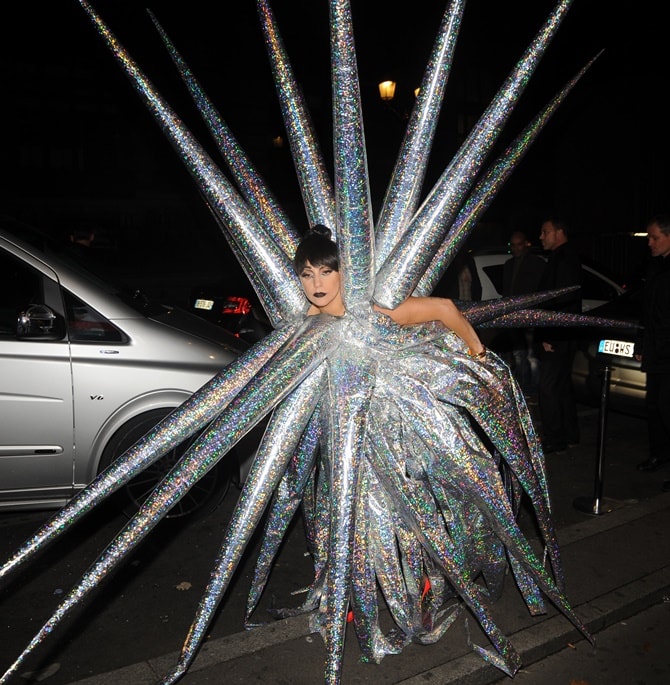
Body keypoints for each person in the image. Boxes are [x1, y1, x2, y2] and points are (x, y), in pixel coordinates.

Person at [294, 225, 486, 357]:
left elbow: (444, 307)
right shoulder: (309, 320)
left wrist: (478, 353)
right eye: (307, 275)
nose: (317, 285)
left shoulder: (374, 313)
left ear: (342, 273)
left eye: (326, 272)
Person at [537, 217, 582, 453]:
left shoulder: (564, 260)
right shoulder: (561, 258)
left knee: (549, 387)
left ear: (559, 232)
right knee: (561, 386)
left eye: (545, 231)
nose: (541, 236)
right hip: (564, 335)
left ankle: (555, 438)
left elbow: (562, 303)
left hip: (558, 336)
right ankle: (569, 434)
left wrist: (550, 336)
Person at [633, 215, 670, 493]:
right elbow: (646, 311)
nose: (650, 243)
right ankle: (659, 454)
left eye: (655, 237)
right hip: (656, 349)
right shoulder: (655, 266)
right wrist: (640, 343)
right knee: (654, 407)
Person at [501, 230, 546, 397]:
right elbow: (507, 291)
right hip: (513, 317)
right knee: (518, 355)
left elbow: (540, 291)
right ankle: (522, 390)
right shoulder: (509, 265)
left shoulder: (537, 264)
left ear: (526, 244)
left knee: (532, 357)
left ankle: (534, 391)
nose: (516, 248)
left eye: (519, 244)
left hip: (530, 317)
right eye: (513, 245)